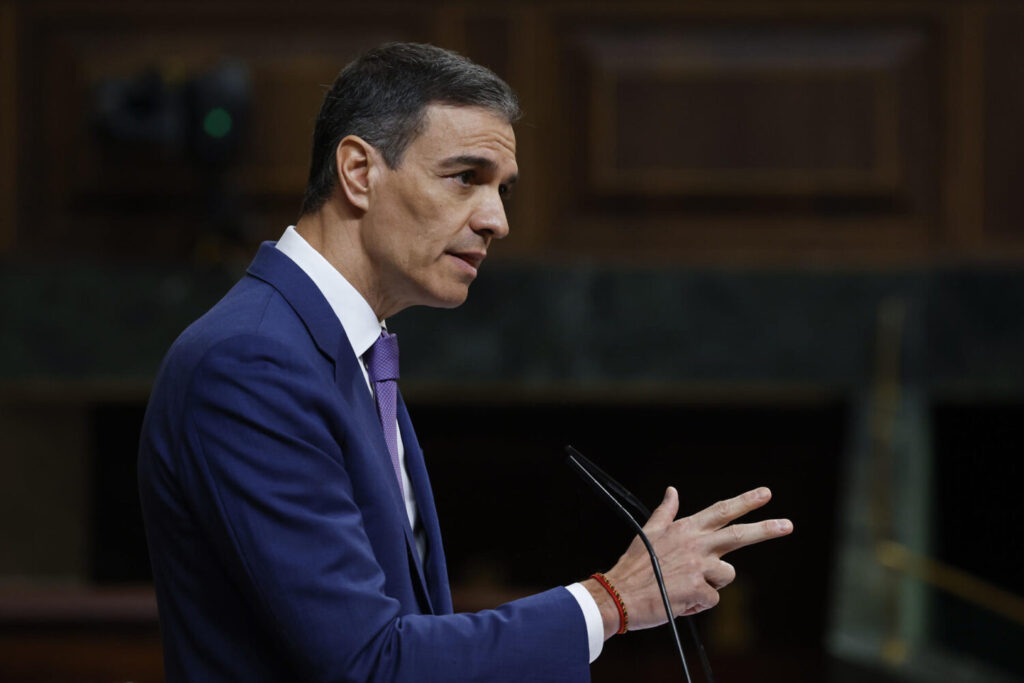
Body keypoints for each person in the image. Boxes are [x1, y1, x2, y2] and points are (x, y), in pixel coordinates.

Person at [137, 42, 793, 682]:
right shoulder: (253, 362)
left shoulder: (338, 347)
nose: (497, 220)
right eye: (466, 178)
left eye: (502, 188)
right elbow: (368, 663)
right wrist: (610, 600)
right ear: (359, 172)